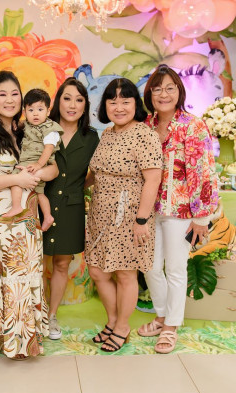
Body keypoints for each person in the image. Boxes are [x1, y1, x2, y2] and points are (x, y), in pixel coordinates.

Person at [0, 71, 59, 359]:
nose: (9, 100)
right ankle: (6, 340)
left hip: (27, 220)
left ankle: (27, 340)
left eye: (14, 94)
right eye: (2, 94)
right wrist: (16, 180)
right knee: (6, 278)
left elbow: (53, 167)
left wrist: (40, 172)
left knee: (25, 278)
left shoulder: (27, 129)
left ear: (22, 98)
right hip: (0, 221)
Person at [139, 64, 218, 353]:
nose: (164, 94)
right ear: (150, 94)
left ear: (179, 92)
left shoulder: (193, 125)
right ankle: (161, 316)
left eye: (170, 88)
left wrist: (202, 218)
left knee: (174, 268)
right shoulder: (145, 126)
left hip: (182, 211)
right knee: (149, 266)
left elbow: (204, 172)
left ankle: (171, 326)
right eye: (157, 89)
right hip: (149, 210)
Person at [85, 78, 162, 353]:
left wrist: (141, 220)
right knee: (97, 271)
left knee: (125, 274)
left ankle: (122, 327)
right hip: (100, 213)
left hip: (129, 215)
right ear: (105, 106)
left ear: (135, 105)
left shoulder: (145, 134)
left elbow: (153, 179)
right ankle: (112, 321)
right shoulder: (107, 134)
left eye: (125, 101)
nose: (119, 107)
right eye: (113, 101)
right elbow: (96, 173)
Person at [43, 77, 99, 340]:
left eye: (79, 99)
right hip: (40, 202)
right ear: (58, 102)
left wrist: (78, 187)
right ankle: (30, 313)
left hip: (71, 208)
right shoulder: (43, 129)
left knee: (62, 263)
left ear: (85, 105)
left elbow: (96, 172)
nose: (72, 105)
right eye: (67, 98)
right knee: (32, 262)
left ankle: (51, 316)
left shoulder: (91, 137)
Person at [3, 88, 63, 232]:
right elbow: (23, 125)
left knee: (15, 180)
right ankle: (48, 216)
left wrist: (39, 164)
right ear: (25, 112)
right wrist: (16, 125)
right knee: (39, 192)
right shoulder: (28, 124)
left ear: (48, 111)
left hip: (36, 163)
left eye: (40, 109)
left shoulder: (50, 129)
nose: (35, 113)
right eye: (31, 110)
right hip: (32, 164)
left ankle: (16, 206)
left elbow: (49, 148)